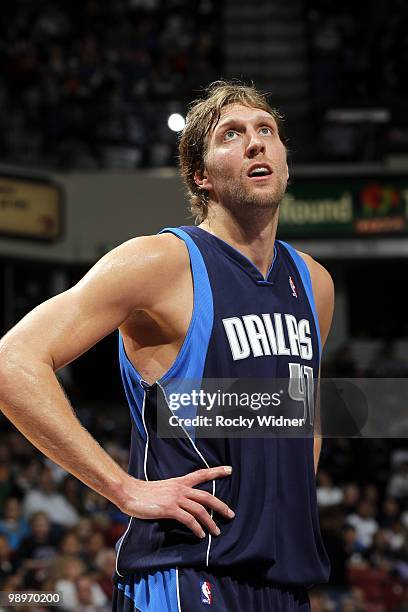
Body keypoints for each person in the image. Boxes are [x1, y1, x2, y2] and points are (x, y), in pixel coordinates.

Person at [0, 81, 335, 611]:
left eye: (266, 130)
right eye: (232, 134)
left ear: (286, 162)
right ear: (201, 177)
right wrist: (123, 488)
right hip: (185, 572)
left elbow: (302, 409)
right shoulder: (160, 263)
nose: (256, 143)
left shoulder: (314, 284)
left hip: (284, 579)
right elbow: (11, 362)